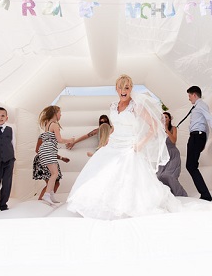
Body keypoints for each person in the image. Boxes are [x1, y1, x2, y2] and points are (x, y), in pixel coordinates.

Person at [66, 74, 180, 219]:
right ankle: (105, 206)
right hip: (113, 145)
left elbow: (154, 126)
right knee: (103, 174)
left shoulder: (135, 107)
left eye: (127, 87)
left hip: (129, 147)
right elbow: (115, 126)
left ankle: (125, 206)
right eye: (120, 87)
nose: (123, 90)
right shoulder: (113, 106)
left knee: (125, 177)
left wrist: (140, 144)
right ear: (116, 89)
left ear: (131, 89)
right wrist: (107, 140)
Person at [181, 86, 212, 201]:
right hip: (196, 137)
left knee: (191, 166)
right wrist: (204, 141)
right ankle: (204, 194)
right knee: (191, 166)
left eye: (189, 96)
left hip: (197, 136)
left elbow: (209, 119)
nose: (189, 99)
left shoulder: (201, 105)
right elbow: (204, 125)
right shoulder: (197, 107)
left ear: (194, 95)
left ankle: (205, 195)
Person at [37, 105, 75, 206]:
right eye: (59, 113)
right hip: (49, 150)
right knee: (54, 174)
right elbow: (60, 140)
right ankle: (47, 195)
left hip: (45, 150)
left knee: (54, 173)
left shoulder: (47, 124)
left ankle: (51, 195)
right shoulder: (54, 125)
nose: (60, 115)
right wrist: (70, 140)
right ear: (55, 113)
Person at [156, 112, 188, 197]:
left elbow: (173, 141)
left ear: (169, 119)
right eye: (163, 117)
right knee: (159, 175)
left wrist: (166, 129)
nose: (164, 118)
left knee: (170, 175)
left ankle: (180, 194)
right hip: (163, 155)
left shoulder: (173, 128)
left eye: (166, 117)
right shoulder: (158, 129)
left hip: (173, 154)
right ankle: (167, 194)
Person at [33, 135, 70, 202]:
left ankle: (47, 199)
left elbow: (53, 152)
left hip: (52, 159)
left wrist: (62, 158)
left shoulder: (55, 137)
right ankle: (41, 201)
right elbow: (37, 150)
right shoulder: (43, 136)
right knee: (50, 182)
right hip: (44, 159)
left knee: (56, 183)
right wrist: (47, 155)